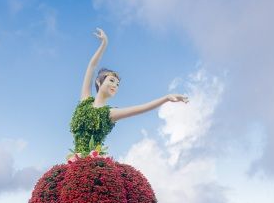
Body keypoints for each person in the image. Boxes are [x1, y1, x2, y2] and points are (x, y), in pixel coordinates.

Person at [69, 28, 189, 158]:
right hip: (75, 163)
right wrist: (104, 44)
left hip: (93, 165)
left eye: (117, 84)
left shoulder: (109, 114)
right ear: (99, 82)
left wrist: (166, 98)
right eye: (111, 81)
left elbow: (141, 108)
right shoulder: (85, 100)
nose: (115, 85)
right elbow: (92, 67)